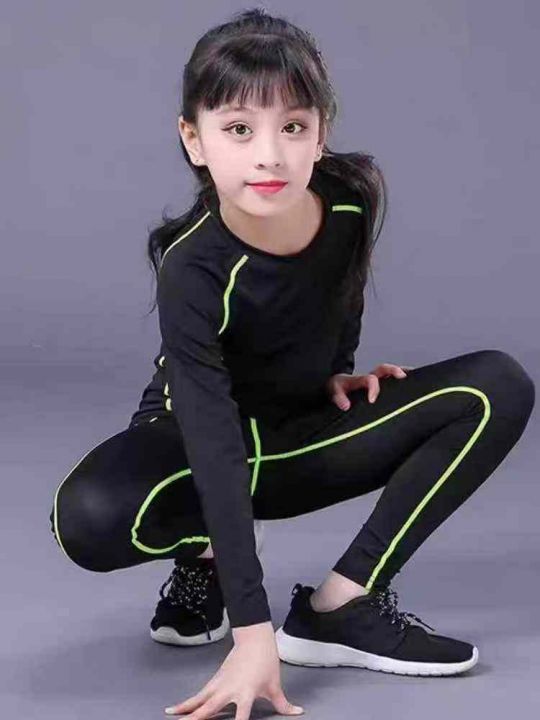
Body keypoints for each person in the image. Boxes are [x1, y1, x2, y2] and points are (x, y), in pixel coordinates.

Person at [49, 6, 535, 719]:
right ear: (194, 140)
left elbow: (341, 294)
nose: (270, 156)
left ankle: (343, 605)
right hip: (195, 439)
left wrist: (336, 370)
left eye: (294, 127)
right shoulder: (191, 267)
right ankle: (208, 558)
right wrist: (253, 636)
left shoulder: (348, 202)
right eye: (239, 130)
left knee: (497, 386)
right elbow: (212, 438)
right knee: (86, 519)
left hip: (297, 436)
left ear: (321, 133)